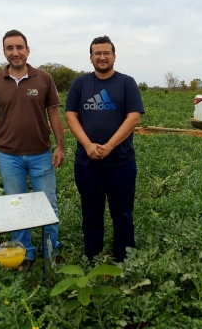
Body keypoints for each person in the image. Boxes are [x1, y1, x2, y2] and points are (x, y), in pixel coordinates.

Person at [0, 29, 64, 269]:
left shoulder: (44, 78)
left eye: (19, 47)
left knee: (48, 204)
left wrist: (60, 145)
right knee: (16, 206)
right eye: (10, 48)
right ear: (4, 52)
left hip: (41, 154)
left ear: (28, 50)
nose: (15, 52)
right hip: (8, 156)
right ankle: (25, 253)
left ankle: (51, 250)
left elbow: (54, 114)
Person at [65, 35, 144, 262]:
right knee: (91, 213)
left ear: (114, 56)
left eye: (106, 53)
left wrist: (109, 146)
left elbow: (133, 117)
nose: (102, 57)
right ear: (90, 58)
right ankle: (92, 256)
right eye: (97, 53)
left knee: (123, 213)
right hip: (87, 162)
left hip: (121, 161)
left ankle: (124, 259)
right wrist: (88, 145)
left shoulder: (126, 83)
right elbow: (71, 116)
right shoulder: (80, 84)